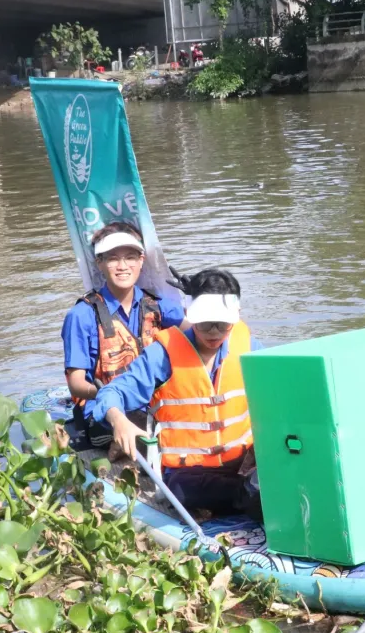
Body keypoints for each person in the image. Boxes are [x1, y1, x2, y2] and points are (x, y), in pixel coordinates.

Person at [96, 268, 265, 518]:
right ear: (189, 315)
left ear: (236, 317)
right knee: (182, 490)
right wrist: (119, 420)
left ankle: (252, 492)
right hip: (189, 474)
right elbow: (112, 392)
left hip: (242, 463)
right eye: (205, 324)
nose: (214, 332)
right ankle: (251, 495)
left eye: (223, 324)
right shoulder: (162, 355)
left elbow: (280, 390)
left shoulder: (248, 346)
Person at [61, 221, 186, 449]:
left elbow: (206, 335)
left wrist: (205, 296)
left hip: (153, 404)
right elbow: (76, 384)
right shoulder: (81, 315)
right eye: (112, 258)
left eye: (130, 257)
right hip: (103, 410)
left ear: (141, 261)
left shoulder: (158, 306)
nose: (122, 266)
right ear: (99, 263)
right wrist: (112, 396)